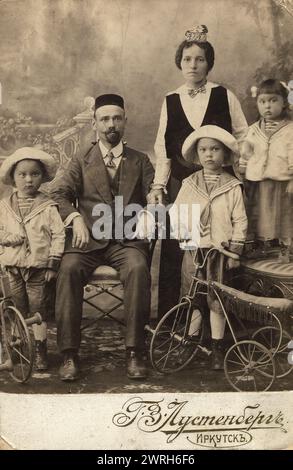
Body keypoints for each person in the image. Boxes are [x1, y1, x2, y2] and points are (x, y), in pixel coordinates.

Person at [50, 94, 154, 381]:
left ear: (125, 122)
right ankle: (69, 354)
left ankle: (134, 350)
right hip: (87, 242)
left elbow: (154, 196)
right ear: (95, 124)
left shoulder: (140, 160)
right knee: (68, 269)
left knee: (137, 268)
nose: (111, 124)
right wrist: (75, 218)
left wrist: (148, 213)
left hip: (125, 241)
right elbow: (58, 194)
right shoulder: (81, 160)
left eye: (117, 118)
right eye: (105, 119)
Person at [148, 24, 248, 319]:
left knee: (218, 251)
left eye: (200, 59)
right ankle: (171, 320)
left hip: (219, 187)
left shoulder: (224, 96)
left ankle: (219, 321)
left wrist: (240, 173)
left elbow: (243, 136)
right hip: (183, 187)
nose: (193, 64)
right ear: (180, 63)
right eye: (188, 59)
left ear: (209, 63)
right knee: (175, 252)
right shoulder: (171, 99)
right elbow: (163, 147)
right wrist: (159, 185)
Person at [170, 125, 247, 369]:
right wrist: (184, 234)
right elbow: (178, 213)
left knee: (217, 299)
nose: (209, 154)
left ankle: (217, 347)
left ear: (225, 154)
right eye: (203, 149)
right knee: (192, 296)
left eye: (215, 149)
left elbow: (240, 220)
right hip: (195, 250)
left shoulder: (232, 186)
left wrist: (235, 251)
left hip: (220, 253)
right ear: (197, 154)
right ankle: (190, 341)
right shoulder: (189, 184)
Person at [0, 147, 65, 371]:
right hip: (12, 267)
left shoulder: (48, 207)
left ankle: (40, 352)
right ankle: (16, 352)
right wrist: (9, 238)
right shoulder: (4, 205)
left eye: (34, 174)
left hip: (37, 268)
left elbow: (58, 234)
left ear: (42, 177)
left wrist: (52, 264)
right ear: (13, 177)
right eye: (22, 174)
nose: (28, 180)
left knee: (38, 312)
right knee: (15, 308)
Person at [239, 79, 293, 262]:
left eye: (273, 100)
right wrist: (243, 165)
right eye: (263, 102)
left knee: (284, 214)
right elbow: (246, 151)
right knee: (260, 214)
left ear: (284, 102)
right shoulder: (254, 130)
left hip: (281, 180)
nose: (267, 106)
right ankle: (263, 246)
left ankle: (285, 248)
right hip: (258, 180)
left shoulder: (290, 129)